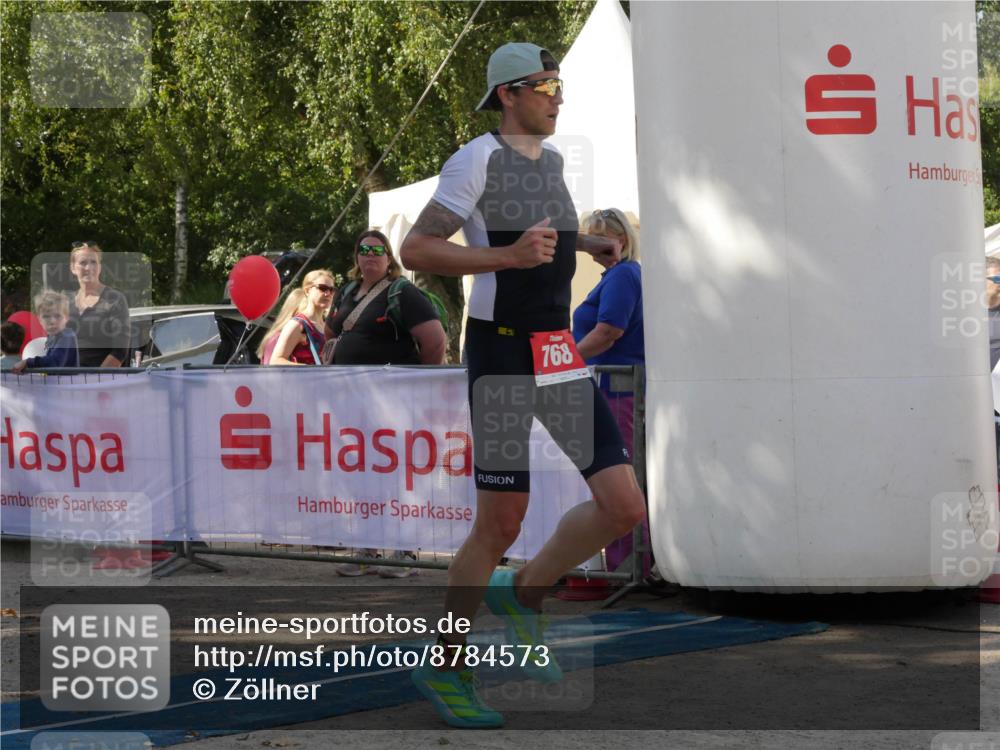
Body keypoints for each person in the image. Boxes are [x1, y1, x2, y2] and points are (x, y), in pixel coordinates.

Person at [400, 42, 646, 727]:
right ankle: (445, 663)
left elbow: (547, 238)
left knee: (624, 506)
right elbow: (416, 249)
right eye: (543, 85)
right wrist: (506, 256)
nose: (557, 96)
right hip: (503, 351)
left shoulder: (554, 162)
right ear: (507, 95)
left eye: (558, 84)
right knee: (501, 521)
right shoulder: (476, 159)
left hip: (555, 348)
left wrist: (585, 245)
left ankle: (525, 592)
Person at [326, 230, 447, 579]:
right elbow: (331, 332)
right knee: (361, 474)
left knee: (398, 475)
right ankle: (367, 549)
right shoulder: (347, 291)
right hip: (352, 401)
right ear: (356, 256)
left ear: (389, 257)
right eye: (363, 249)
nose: (370, 255)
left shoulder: (402, 292)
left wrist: (418, 382)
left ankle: (405, 552)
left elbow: (435, 340)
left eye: (377, 250)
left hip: (394, 402)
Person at [573, 208, 650, 579]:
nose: (594, 246)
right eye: (590, 238)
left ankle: (630, 567)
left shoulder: (623, 276)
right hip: (615, 388)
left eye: (601, 238)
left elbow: (608, 331)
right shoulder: (622, 275)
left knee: (619, 482)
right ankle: (629, 565)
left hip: (619, 392)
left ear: (622, 239)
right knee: (620, 481)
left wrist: (563, 362)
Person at [67, 242, 129, 368]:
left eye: (93, 262)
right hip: (65, 377)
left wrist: (95, 377)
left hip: (100, 378)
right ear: (73, 268)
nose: (89, 267)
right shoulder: (65, 302)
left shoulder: (115, 299)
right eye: (83, 262)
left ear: (100, 267)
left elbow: (120, 352)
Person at [257, 269, 335, 365]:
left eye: (332, 290)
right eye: (322, 288)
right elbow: (276, 361)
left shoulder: (327, 326)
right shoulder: (297, 324)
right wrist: (310, 369)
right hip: (305, 375)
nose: (328, 294)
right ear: (307, 291)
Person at [11, 291, 79, 372]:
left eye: (57, 316)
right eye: (46, 316)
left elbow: (54, 363)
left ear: (67, 318)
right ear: (39, 319)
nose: (52, 321)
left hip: (67, 380)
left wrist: (27, 362)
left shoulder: (66, 336)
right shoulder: (52, 336)